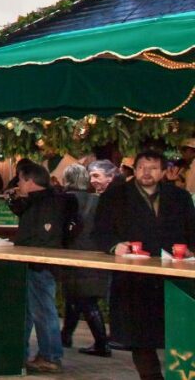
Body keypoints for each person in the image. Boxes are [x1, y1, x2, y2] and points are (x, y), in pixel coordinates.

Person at [94, 150, 195, 380]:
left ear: (163, 172)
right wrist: (114, 246)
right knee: (140, 336)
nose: (146, 173)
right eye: (141, 167)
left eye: (152, 168)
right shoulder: (116, 195)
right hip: (134, 278)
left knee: (179, 330)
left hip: (174, 278)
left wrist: (190, 250)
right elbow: (100, 231)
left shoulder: (179, 197)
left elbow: (192, 230)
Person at [11, 162, 77, 374]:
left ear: (30, 182)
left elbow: (44, 236)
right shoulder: (38, 200)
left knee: (42, 310)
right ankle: (25, 353)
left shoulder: (51, 203)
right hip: (33, 263)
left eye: (20, 180)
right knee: (30, 310)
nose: (18, 184)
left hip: (40, 264)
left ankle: (50, 356)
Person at [58, 164, 110, 357]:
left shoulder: (65, 200)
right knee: (77, 297)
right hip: (95, 253)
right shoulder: (97, 201)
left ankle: (102, 343)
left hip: (72, 253)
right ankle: (66, 335)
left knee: (84, 299)